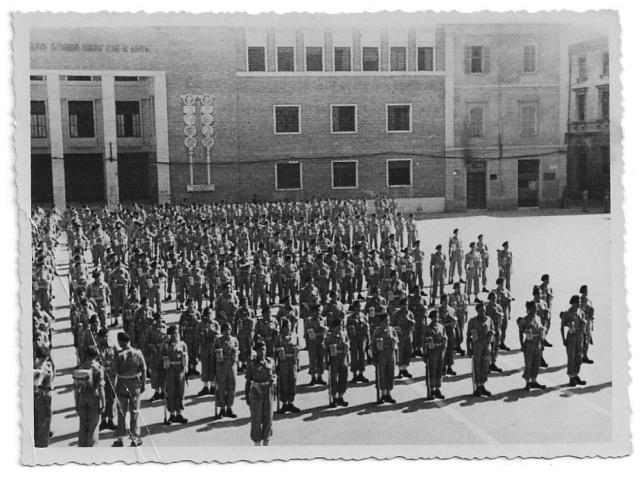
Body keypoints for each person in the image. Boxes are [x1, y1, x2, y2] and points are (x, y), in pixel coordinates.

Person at [113, 332, 146, 447]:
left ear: (121, 341)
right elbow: (144, 369)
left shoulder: (118, 354)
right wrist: (143, 384)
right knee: (134, 412)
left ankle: (119, 438)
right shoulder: (138, 353)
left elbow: (114, 371)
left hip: (122, 384)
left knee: (121, 412)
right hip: (134, 385)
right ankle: (135, 438)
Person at [245, 340, 277, 446]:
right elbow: (248, 380)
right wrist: (247, 397)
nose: (262, 352)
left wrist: (274, 379)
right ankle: (257, 446)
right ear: (256, 351)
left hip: (268, 392)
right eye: (260, 350)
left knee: (268, 419)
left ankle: (266, 445)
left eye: (264, 349)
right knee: (256, 420)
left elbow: (275, 374)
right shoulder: (252, 364)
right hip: (256, 393)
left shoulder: (270, 361)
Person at [73, 345, 105, 447]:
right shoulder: (98, 368)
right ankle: (91, 448)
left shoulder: (80, 367)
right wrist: (103, 403)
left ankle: (82, 446)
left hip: (82, 396)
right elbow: (100, 387)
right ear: (96, 355)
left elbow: (75, 387)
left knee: (83, 424)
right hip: (93, 397)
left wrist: (77, 402)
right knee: (93, 426)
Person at [160, 325, 189, 424]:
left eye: (176, 333)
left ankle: (179, 413)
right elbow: (161, 357)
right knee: (171, 391)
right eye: (172, 333)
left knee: (180, 391)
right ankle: (172, 414)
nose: (175, 335)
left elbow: (186, 356)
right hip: (170, 369)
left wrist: (186, 368)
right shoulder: (165, 345)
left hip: (180, 369)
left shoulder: (182, 344)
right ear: (169, 334)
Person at [517, 301, 547, 391]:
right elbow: (520, 332)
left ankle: (534, 381)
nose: (535, 309)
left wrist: (542, 343)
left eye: (535, 308)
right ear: (529, 309)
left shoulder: (538, 318)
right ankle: (527, 382)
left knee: (536, 363)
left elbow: (541, 331)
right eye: (533, 308)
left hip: (537, 342)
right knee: (528, 363)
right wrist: (522, 344)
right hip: (529, 343)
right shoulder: (525, 319)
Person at [466, 302, 494, 397]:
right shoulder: (473, 321)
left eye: (484, 310)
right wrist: (468, 349)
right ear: (477, 311)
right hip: (477, 346)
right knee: (477, 366)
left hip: (487, 346)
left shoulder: (489, 320)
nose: (483, 312)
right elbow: (468, 336)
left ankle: (482, 385)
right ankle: (477, 386)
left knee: (485, 366)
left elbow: (492, 332)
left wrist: (492, 347)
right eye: (481, 310)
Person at [212, 322, 239, 419]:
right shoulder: (218, 340)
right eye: (225, 329)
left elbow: (237, 352)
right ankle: (222, 408)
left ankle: (229, 408)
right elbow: (213, 354)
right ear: (222, 331)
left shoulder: (234, 340)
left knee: (232, 387)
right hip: (221, 365)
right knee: (222, 387)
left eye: (229, 329)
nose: (227, 331)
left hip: (231, 365)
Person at [274, 318, 301, 413]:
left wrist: (298, 364)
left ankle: (291, 402)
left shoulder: (295, 336)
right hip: (283, 362)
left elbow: (298, 350)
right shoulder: (279, 337)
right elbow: (275, 352)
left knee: (292, 381)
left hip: (292, 361)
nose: (288, 328)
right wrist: (275, 365)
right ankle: (284, 403)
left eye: (289, 326)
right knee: (283, 382)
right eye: (286, 327)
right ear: (283, 328)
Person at [560, 296, 588, 387]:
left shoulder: (581, 312)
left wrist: (585, 338)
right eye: (578, 301)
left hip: (579, 336)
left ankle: (576, 375)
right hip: (571, 337)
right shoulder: (567, 313)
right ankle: (571, 377)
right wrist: (563, 339)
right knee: (571, 357)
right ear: (574, 303)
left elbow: (584, 326)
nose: (580, 303)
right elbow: (562, 327)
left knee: (579, 357)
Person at [371, 313, 399, 404]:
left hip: (391, 353)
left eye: (388, 320)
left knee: (390, 374)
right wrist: (374, 357)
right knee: (382, 374)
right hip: (381, 354)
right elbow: (373, 345)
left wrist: (397, 356)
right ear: (381, 322)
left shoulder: (392, 330)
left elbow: (396, 343)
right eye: (385, 320)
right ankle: (382, 394)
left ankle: (388, 394)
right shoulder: (377, 331)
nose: (387, 322)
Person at [33, 330, 54, 448]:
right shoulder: (46, 366)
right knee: (43, 422)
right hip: (43, 396)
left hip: (40, 395)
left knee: (39, 422)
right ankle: (42, 445)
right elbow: (37, 382)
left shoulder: (44, 366)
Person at [96, 328, 118, 431]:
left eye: (107, 336)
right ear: (99, 337)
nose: (105, 338)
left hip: (112, 376)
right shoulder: (95, 349)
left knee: (112, 397)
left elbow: (118, 360)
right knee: (101, 398)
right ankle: (103, 420)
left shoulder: (113, 347)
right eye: (103, 336)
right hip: (100, 377)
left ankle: (111, 419)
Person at [325, 317, 350, 407]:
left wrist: (348, 359)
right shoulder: (330, 335)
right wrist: (326, 361)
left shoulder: (344, 334)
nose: (340, 327)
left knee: (343, 377)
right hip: (334, 358)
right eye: (339, 326)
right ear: (334, 327)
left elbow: (347, 347)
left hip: (343, 357)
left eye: (341, 325)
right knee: (333, 379)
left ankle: (340, 397)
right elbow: (326, 349)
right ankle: (333, 398)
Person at [423, 309, 447, 400]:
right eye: (434, 317)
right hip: (432, 352)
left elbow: (445, 337)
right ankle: (431, 389)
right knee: (432, 370)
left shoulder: (441, 327)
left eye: (437, 317)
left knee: (439, 370)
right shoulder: (427, 328)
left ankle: (437, 389)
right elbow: (424, 341)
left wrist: (444, 346)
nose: (436, 319)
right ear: (431, 318)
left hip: (440, 351)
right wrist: (425, 353)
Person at [346, 301, 370, 383]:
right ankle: (354, 375)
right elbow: (348, 329)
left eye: (359, 307)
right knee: (354, 356)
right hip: (354, 339)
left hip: (362, 338)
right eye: (357, 307)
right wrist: (350, 337)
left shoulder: (363, 316)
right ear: (354, 307)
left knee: (362, 356)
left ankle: (361, 373)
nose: (359, 309)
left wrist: (368, 340)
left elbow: (367, 329)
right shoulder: (350, 318)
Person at [304, 304, 328, 386]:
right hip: (312, 341)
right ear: (313, 312)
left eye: (319, 311)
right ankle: (313, 378)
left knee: (321, 359)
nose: (318, 313)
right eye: (316, 311)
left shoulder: (323, 319)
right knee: (312, 359)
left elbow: (326, 330)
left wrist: (324, 329)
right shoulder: (309, 320)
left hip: (321, 341)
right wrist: (308, 343)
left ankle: (320, 377)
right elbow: (306, 333)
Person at [391, 298, 415, 379]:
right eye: (404, 305)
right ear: (401, 306)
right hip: (400, 336)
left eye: (407, 304)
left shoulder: (410, 313)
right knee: (400, 353)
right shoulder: (396, 314)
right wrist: (397, 330)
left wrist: (410, 321)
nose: (406, 306)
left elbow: (413, 324)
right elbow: (393, 325)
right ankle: (400, 370)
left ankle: (405, 369)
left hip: (407, 334)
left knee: (407, 352)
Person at [486, 292, 504, 373]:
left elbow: (502, 317)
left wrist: (499, 315)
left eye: (495, 298)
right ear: (490, 299)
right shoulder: (487, 307)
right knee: (489, 347)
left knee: (496, 347)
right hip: (490, 329)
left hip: (497, 328)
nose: (494, 300)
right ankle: (487, 364)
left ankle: (493, 363)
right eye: (493, 298)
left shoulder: (498, 307)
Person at [579, 285, 595, 364]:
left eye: (587, 290)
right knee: (583, 340)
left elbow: (592, 312)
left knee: (588, 340)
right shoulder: (580, 301)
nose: (586, 292)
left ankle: (585, 356)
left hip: (589, 322)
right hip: (584, 322)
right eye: (585, 290)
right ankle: (581, 356)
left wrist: (592, 324)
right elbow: (580, 312)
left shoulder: (589, 300)